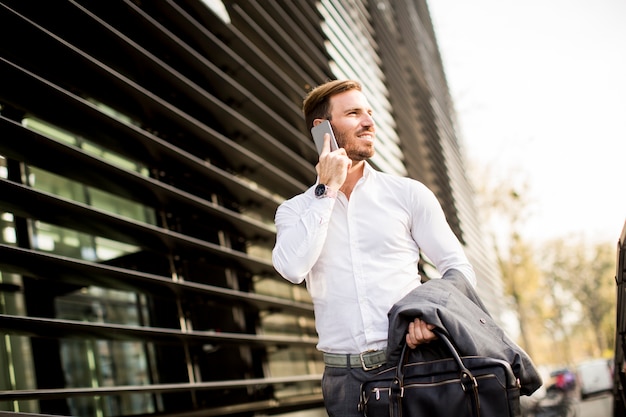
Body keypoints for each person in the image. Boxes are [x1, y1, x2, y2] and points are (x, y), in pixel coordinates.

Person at [271, 79, 476, 416]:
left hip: (415, 363)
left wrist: (433, 315)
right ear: (323, 130)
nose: (369, 122)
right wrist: (327, 190)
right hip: (345, 382)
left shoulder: (409, 195)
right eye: (353, 113)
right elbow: (292, 268)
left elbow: (458, 268)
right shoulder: (295, 211)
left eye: (369, 113)